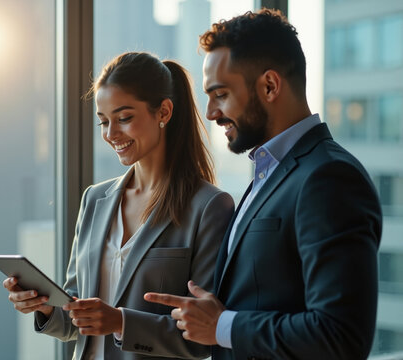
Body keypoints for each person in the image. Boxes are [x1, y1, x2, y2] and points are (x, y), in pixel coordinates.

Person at [145, 9, 383, 360]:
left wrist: (223, 326)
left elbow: (340, 336)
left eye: (221, 94)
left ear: (270, 86)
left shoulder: (329, 179)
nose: (210, 112)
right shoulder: (267, 172)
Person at [3, 51, 234, 359]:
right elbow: (76, 317)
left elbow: (204, 337)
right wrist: (46, 308)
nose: (111, 134)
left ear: (163, 111)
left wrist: (121, 322)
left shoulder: (209, 207)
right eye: (103, 121)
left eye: (124, 118)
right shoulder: (95, 199)